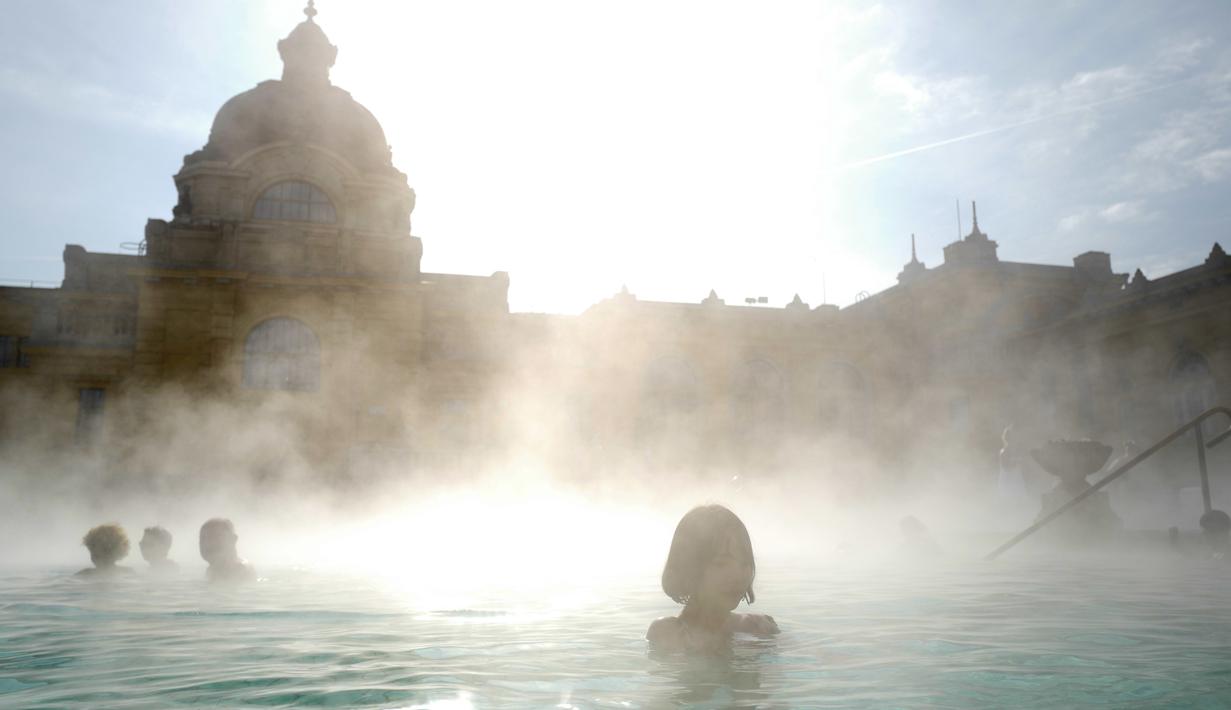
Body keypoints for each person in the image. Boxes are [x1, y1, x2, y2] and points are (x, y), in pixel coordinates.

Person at [647, 504, 778, 651]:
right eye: (721, 564)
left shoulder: (756, 627)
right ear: (688, 569)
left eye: (744, 563)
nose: (738, 575)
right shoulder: (669, 632)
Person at [199, 518, 256, 583]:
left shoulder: (240, 570)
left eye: (215, 537)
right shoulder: (213, 570)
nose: (207, 543)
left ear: (233, 540)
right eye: (203, 538)